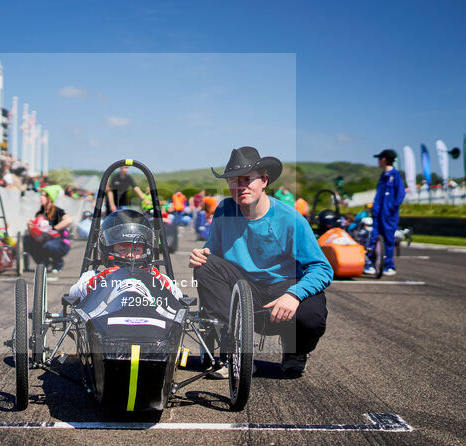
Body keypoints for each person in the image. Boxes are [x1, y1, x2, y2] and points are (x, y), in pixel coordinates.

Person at [189, 146, 332, 377]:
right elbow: (212, 251)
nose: (240, 186)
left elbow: (322, 268)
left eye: (248, 179)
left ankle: (295, 351)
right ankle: (234, 351)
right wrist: (201, 254)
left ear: (264, 180)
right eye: (234, 181)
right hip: (244, 289)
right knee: (205, 266)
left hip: (282, 288)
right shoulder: (225, 210)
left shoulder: (290, 218)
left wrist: (294, 295)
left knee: (311, 315)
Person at [68, 208, 182, 300]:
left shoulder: (155, 275)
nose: (129, 255)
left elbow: (178, 296)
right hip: (107, 323)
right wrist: (101, 280)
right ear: (108, 249)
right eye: (123, 250)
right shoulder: (93, 276)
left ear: (146, 251)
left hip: (149, 323)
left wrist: (158, 281)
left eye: (136, 250)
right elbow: (73, 293)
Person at [364, 149, 406, 276]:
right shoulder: (383, 175)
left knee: (388, 238)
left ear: (384, 160)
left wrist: (392, 208)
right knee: (374, 236)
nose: (378, 161)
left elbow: (401, 193)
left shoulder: (395, 175)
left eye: (379, 159)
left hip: (389, 214)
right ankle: (370, 263)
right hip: (378, 212)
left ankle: (389, 265)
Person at [23, 185, 72, 272]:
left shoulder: (57, 211)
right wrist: (30, 227)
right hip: (44, 240)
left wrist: (53, 229)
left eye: (44, 195)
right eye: (41, 195)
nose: (41, 197)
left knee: (49, 245)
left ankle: (58, 263)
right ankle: (44, 262)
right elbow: (36, 230)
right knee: (26, 240)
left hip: (60, 242)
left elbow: (68, 220)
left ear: (50, 198)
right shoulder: (40, 213)